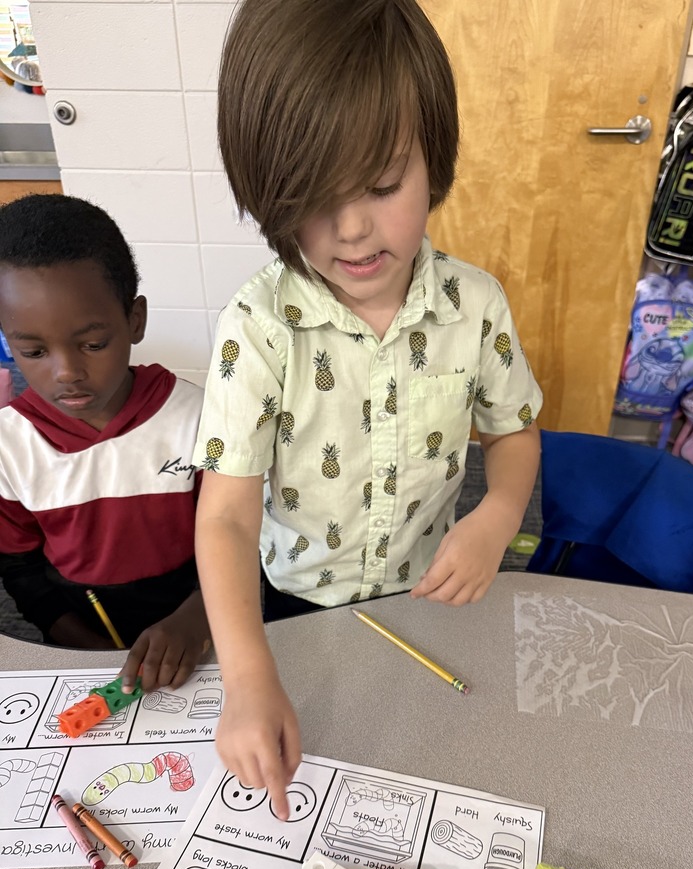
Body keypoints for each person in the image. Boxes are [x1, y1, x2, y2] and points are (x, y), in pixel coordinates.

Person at [194, 0, 543, 819]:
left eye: (383, 186)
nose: (351, 230)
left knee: (421, 762)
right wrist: (245, 679)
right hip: (290, 604)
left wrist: (496, 514)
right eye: (314, 198)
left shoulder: (477, 305)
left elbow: (514, 432)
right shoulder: (259, 324)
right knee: (310, 775)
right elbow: (226, 519)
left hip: (428, 594)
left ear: (436, 162)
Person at [0, 193, 210, 690]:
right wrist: (81, 646)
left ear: (134, 320)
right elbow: (19, 570)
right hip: (82, 637)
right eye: (33, 351)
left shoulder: (200, 418)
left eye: (93, 344)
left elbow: (246, 539)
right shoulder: (10, 446)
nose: (67, 372)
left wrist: (197, 619)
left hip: (200, 624)